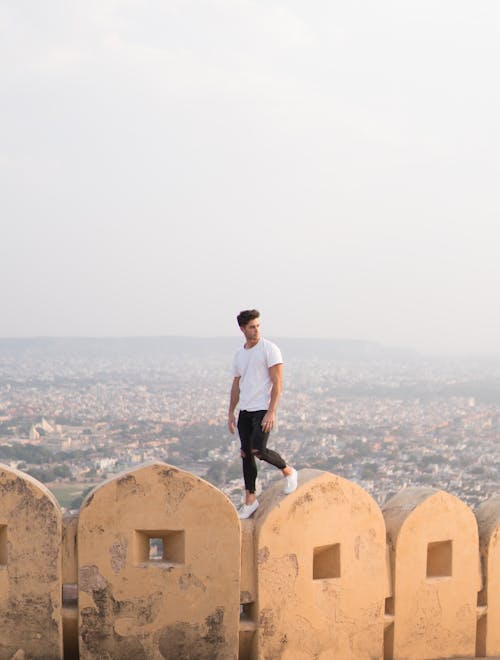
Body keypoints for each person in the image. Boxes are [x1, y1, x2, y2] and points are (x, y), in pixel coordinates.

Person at [228, 309, 297, 519]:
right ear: (242, 329)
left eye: (258, 325)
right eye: (251, 327)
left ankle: (288, 471)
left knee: (258, 449)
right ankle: (250, 500)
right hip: (245, 411)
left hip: (262, 409)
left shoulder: (270, 349)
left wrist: (272, 411)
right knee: (246, 454)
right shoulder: (240, 355)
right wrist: (231, 412)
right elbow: (236, 385)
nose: (256, 330)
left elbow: (278, 383)